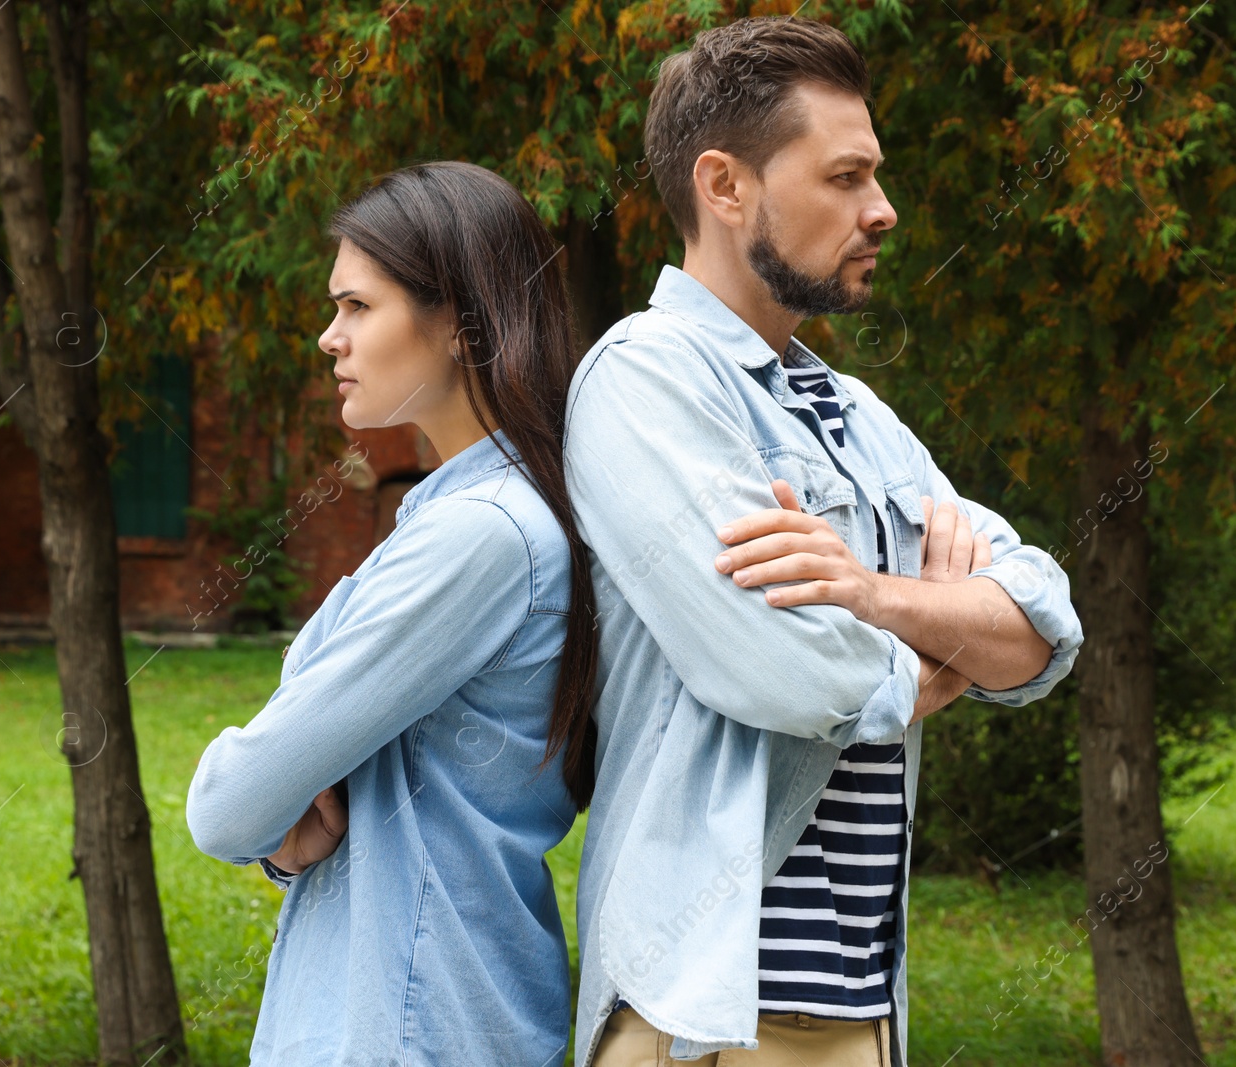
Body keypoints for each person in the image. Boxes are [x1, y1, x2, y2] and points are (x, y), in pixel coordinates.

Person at [562, 16, 1085, 1067]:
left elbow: (1039, 623)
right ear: (725, 186)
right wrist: (935, 656)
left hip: (858, 1006)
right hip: (703, 1013)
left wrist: (875, 597)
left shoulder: (852, 413)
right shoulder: (643, 378)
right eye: (845, 177)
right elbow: (794, 670)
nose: (881, 210)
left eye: (875, 177)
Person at [185, 160, 597, 1066]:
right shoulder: (471, 512)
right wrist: (291, 837)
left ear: (457, 320)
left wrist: (252, 779)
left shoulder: (483, 536)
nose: (330, 339)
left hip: (413, 1018)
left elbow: (223, 805)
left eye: (358, 307)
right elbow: (305, 811)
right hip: (408, 1001)